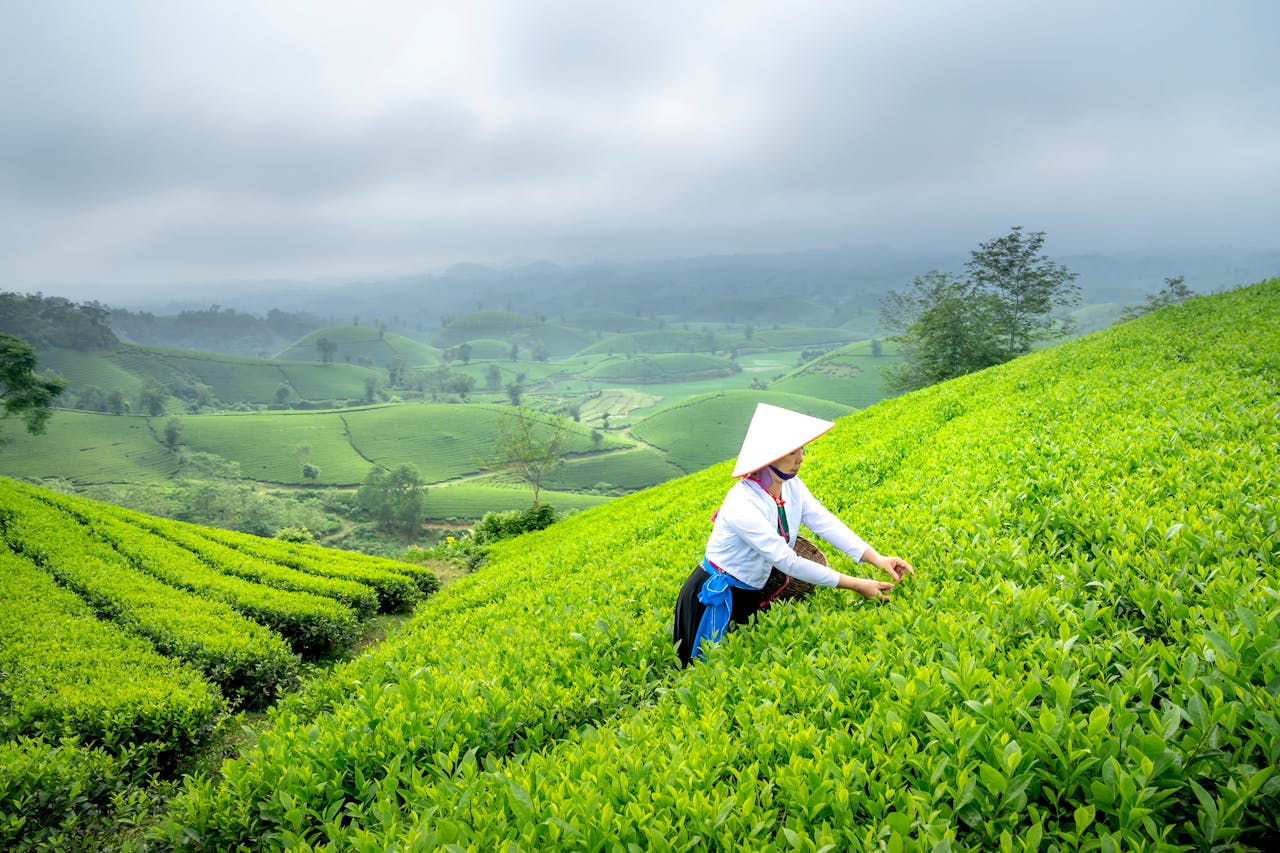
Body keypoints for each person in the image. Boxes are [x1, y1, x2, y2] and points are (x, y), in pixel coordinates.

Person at [673, 403, 914, 666]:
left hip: (751, 592)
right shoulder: (742, 502)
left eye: (801, 449)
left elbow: (825, 523)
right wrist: (856, 584)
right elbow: (787, 561)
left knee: (742, 663)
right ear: (769, 457)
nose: (801, 457)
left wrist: (877, 559)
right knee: (704, 670)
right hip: (714, 599)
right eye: (791, 452)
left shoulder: (791, 486)